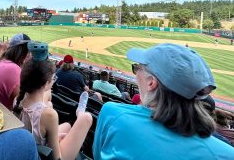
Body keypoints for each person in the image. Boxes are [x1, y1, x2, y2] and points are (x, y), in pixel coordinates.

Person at [93, 43, 234, 160]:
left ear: (151, 83)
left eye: (137, 68)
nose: (136, 74)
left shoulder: (112, 113)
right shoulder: (225, 154)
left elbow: (97, 155)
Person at [13, 58, 92, 160]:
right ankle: (80, 113)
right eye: (53, 77)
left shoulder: (17, 100)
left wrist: (54, 139)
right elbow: (55, 157)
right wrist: (57, 143)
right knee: (87, 118)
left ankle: (78, 115)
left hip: (35, 146)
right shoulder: (49, 114)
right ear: (46, 83)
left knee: (68, 126)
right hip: (45, 155)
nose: (54, 80)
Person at [0, 34, 31, 110]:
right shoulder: (13, 69)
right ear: (24, 52)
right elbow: (22, 104)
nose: (29, 54)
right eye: (28, 51)